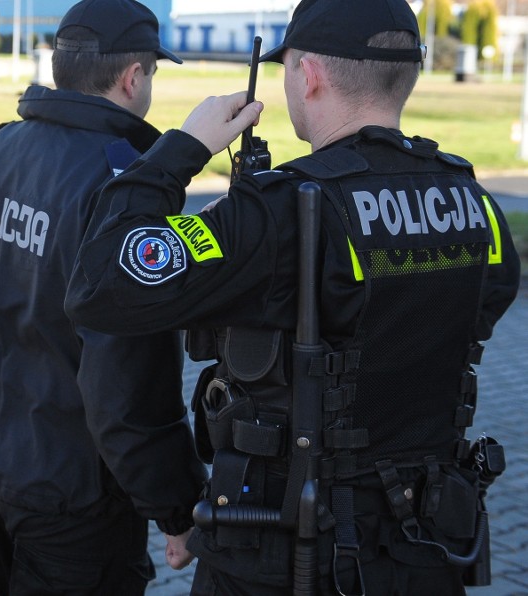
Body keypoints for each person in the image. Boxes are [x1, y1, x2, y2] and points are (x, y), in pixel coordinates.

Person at [64, 0, 521, 594]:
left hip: (285, 554)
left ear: (308, 75)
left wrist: (181, 148)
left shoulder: (277, 212)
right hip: (424, 545)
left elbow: (101, 283)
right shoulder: (475, 203)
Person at [0, 0, 208, 594]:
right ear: (134, 77)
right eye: (152, 75)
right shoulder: (117, 187)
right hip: (76, 496)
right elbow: (129, 381)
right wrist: (179, 507)